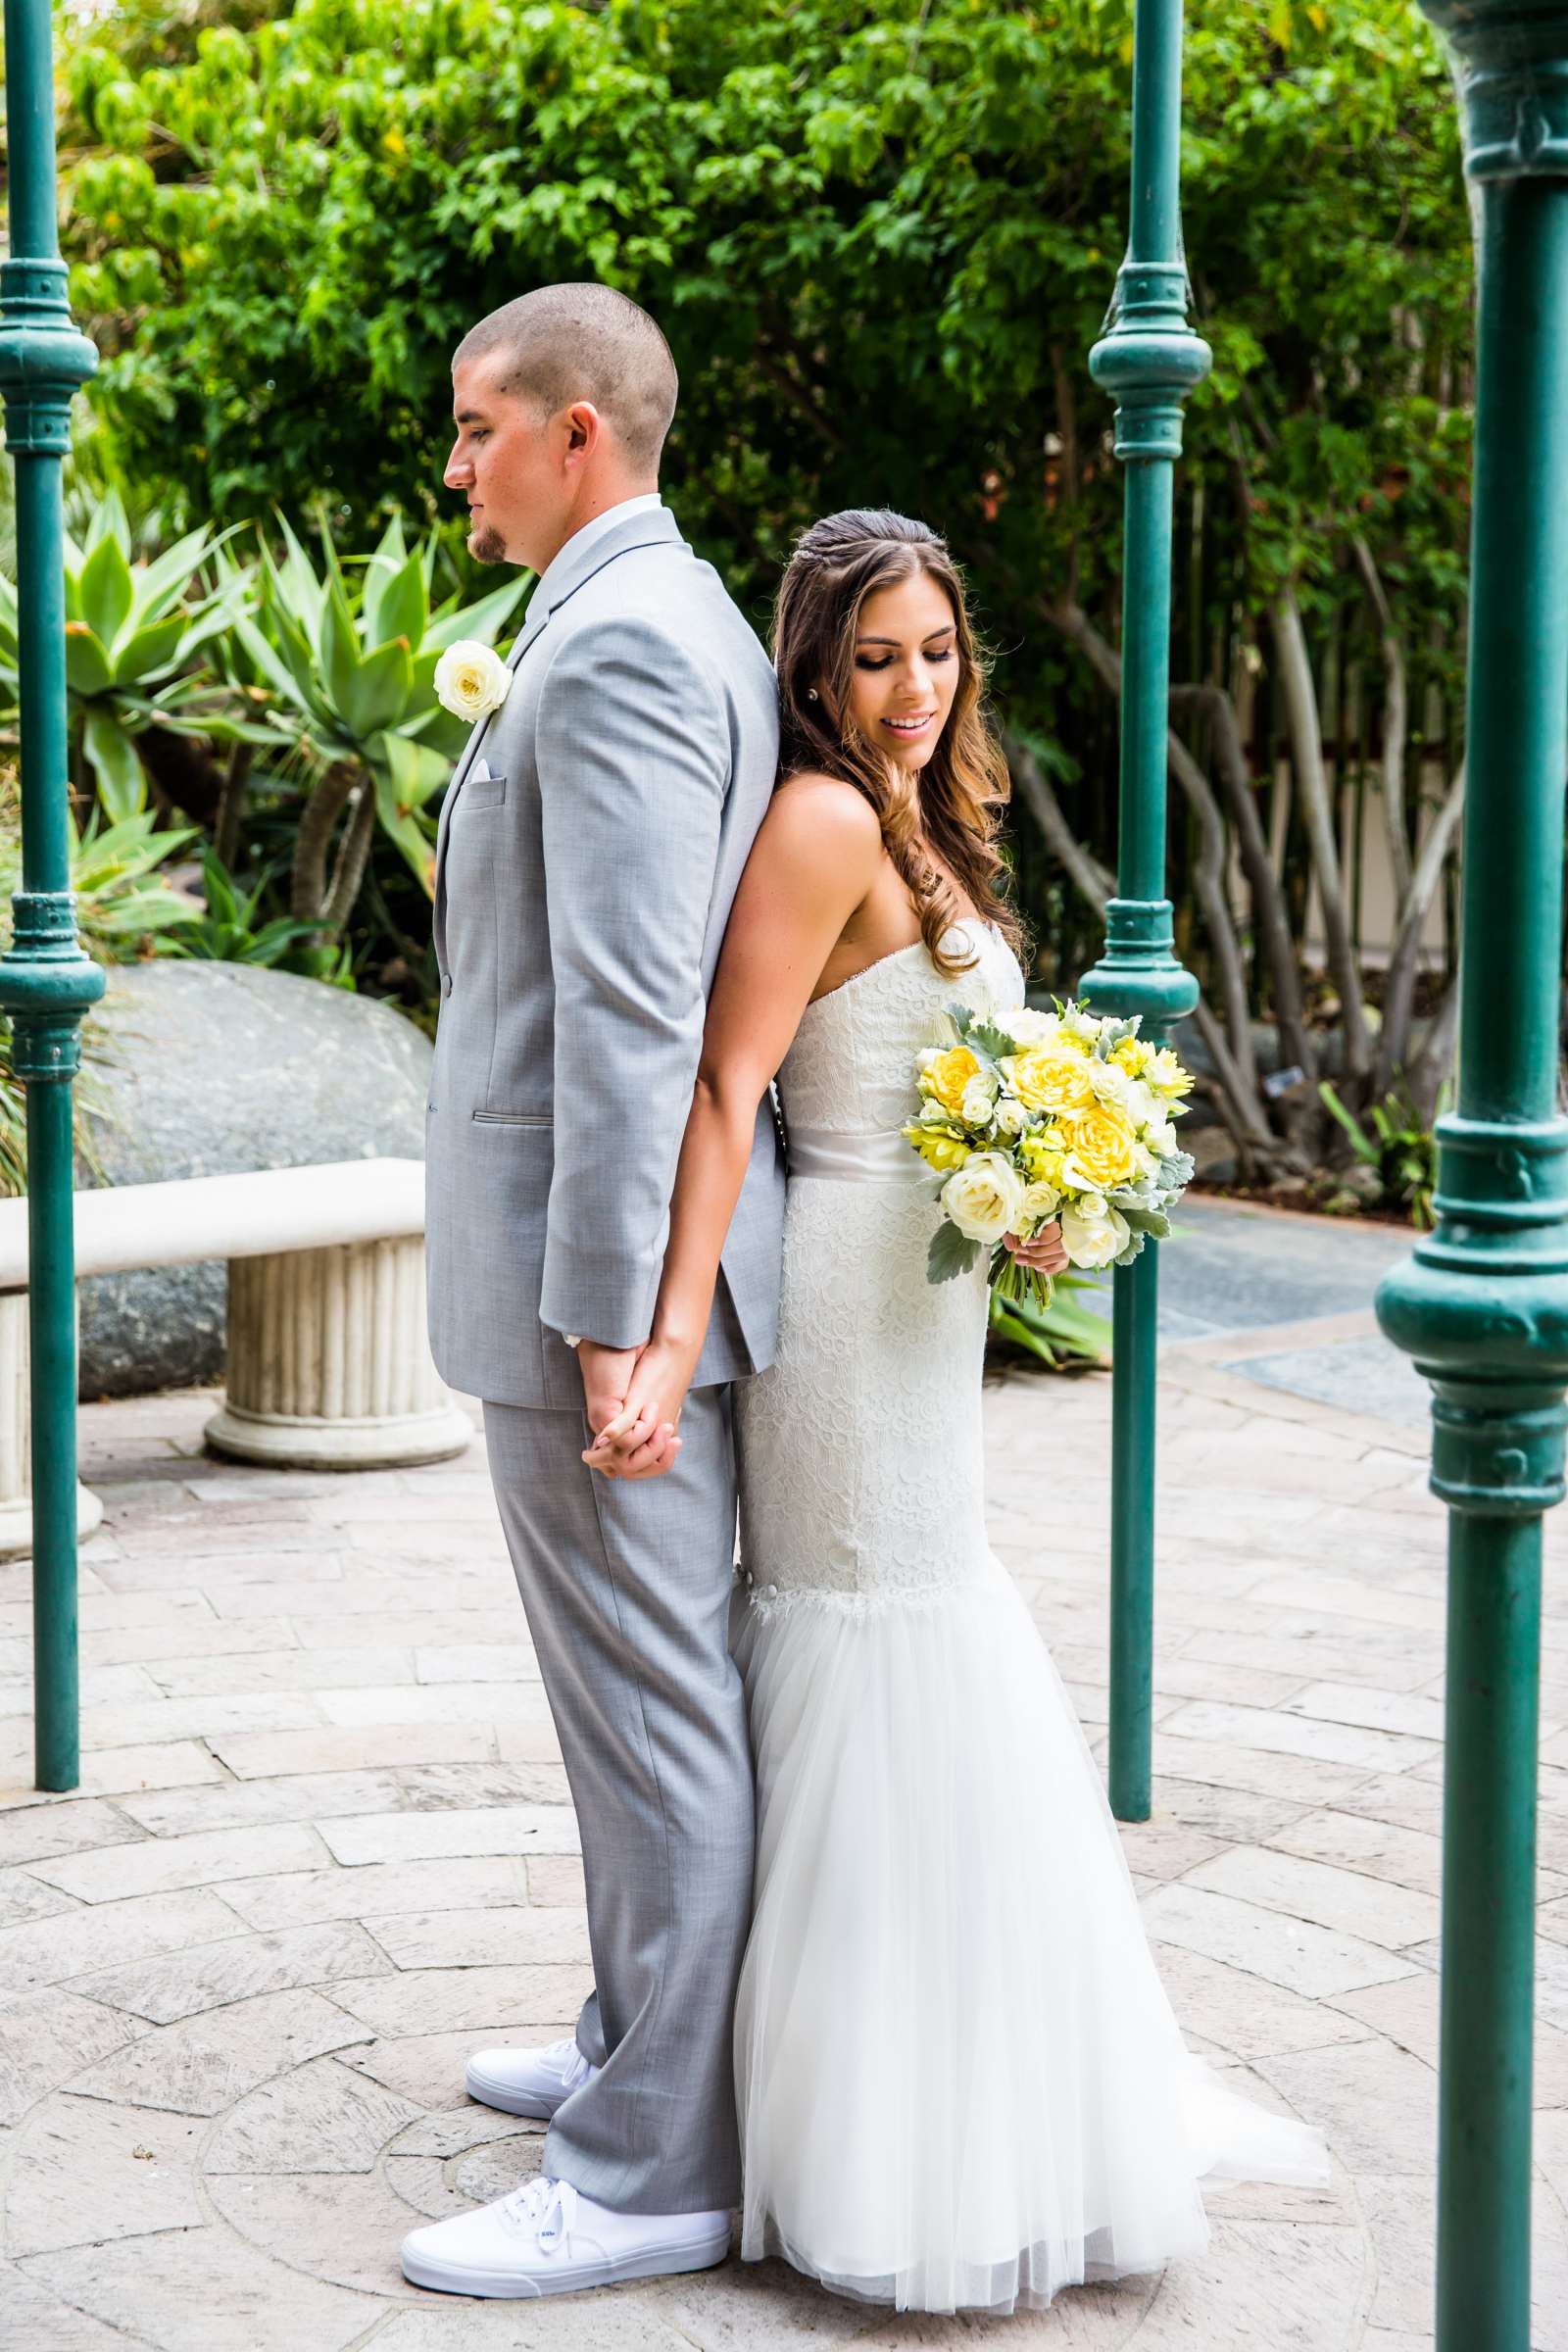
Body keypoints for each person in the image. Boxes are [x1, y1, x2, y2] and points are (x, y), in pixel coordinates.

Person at [585, 508, 1332, 2315]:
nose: (913, 689)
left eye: (934, 652)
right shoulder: (826, 818)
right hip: (840, 1296)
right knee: (864, 1641)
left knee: (940, 1633)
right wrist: (672, 1334)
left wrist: (1045, 1168)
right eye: (874, 657)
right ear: (817, 666)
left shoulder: (923, 810)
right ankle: (851, 2128)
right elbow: (724, 1090)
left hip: (925, 1297)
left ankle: (981, 2088)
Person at [402, 284, 785, 2300]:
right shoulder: (624, 611)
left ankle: (649, 2171)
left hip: (603, 1305)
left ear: (576, 436)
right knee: (624, 1711)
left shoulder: (628, 641)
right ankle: (622, 2048)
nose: (453, 465)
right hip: (591, 1285)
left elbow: (638, 1019)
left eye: (476, 430)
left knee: (655, 1723)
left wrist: (619, 1318)